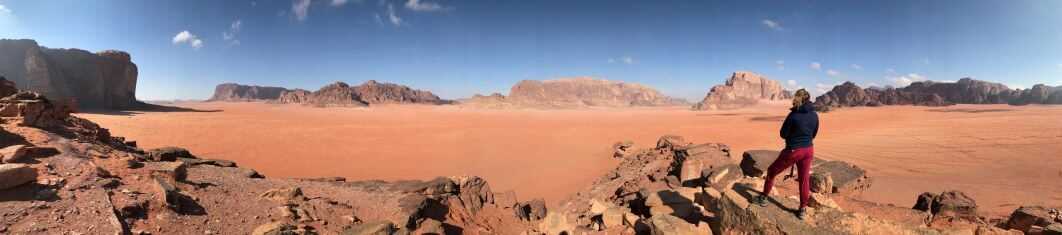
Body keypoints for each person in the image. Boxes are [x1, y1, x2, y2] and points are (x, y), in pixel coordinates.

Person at [752, 88, 819, 220]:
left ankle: (763, 198)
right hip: (809, 149)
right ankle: (802, 210)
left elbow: (783, 134)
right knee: (804, 179)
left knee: (771, 171)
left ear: (798, 98)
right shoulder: (815, 115)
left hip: (794, 151)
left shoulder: (793, 115)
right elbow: (814, 134)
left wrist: (794, 136)